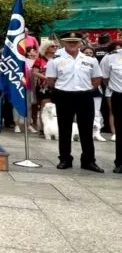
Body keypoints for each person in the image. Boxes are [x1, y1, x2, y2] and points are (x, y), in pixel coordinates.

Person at [47, 32, 103, 172]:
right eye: (69, 41)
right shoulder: (56, 60)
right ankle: (65, 159)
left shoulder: (90, 60)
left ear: (80, 43)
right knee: (64, 129)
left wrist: (85, 89)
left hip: (84, 96)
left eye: (75, 41)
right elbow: (51, 81)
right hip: (64, 95)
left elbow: (96, 80)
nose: (72, 44)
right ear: (64, 43)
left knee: (86, 129)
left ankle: (88, 161)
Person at [101, 41, 122, 172]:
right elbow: (105, 78)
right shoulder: (111, 57)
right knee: (121, 130)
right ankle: (120, 162)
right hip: (119, 96)